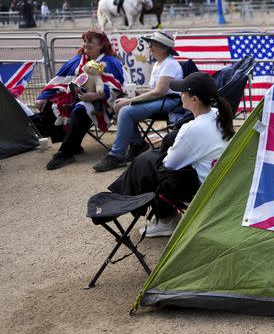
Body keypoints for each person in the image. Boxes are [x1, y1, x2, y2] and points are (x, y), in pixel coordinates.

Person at [106, 72, 234, 237]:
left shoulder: (192, 129)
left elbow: (168, 165)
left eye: (183, 92)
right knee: (152, 155)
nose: (180, 95)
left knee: (147, 162)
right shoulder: (218, 113)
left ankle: (166, 220)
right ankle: (123, 195)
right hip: (218, 182)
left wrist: (165, 146)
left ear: (194, 99)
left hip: (202, 189)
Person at [35, 28, 125, 170]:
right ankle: (73, 144)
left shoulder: (110, 62)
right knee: (50, 104)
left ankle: (65, 152)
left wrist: (95, 95)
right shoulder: (79, 61)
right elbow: (60, 79)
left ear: (101, 45)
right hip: (79, 98)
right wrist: (43, 97)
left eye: (90, 41)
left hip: (104, 104)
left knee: (81, 108)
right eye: (84, 41)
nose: (85, 44)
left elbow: (116, 88)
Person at [93, 31, 183, 172]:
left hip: (170, 102)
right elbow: (155, 92)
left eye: (153, 44)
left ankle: (117, 155)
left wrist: (130, 101)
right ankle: (136, 144)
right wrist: (136, 95)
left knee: (126, 111)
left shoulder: (169, 64)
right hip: (162, 99)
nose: (150, 47)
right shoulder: (159, 64)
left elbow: (158, 92)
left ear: (164, 47)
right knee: (120, 105)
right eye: (150, 44)